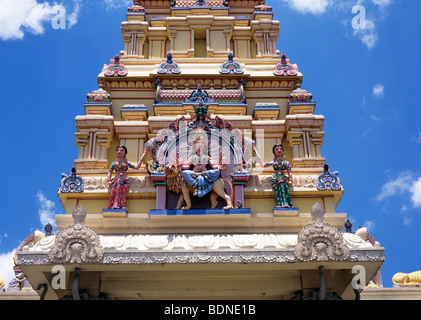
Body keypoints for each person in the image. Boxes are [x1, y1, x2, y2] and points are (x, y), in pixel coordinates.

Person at [180, 129, 225, 198]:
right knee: (185, 173)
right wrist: (180, 163)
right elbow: (186, 167)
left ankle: (197, 186)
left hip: (204, 174)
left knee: (217, 171)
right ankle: (196, 186)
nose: (200, 144)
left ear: (205, 145)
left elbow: (214, 166)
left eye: (202, 143)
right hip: (194, 175)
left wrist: (220, 162)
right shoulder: (192, 157)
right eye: (198, 143)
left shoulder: (207, 157)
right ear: (195, 145)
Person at [107, 145, 144, 209]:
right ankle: (114, 205)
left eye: (121, 150)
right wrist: (108, 179)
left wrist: (142, 158)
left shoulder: (127, 163)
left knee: (123, 192)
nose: (119, 151)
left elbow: (136, 167)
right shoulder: (114, 163)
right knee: (115, 191)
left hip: (124, 179)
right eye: (118, 150)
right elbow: (110, 171)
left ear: (125, 153)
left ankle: (121, 205)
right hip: (117, 179)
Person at [264, 144, 293, 208]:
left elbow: (289, 172)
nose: (279, 150)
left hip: (283, 178)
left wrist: (290, 180)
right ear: (274, 152)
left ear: (283, 150)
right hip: (275, 178)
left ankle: (286, 203)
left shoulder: (286, 163)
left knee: (284, 189)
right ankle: (280, 203)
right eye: (277, 149)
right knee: (278, 191)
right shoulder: (273, 162)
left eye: (280, 149)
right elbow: (264, 165)